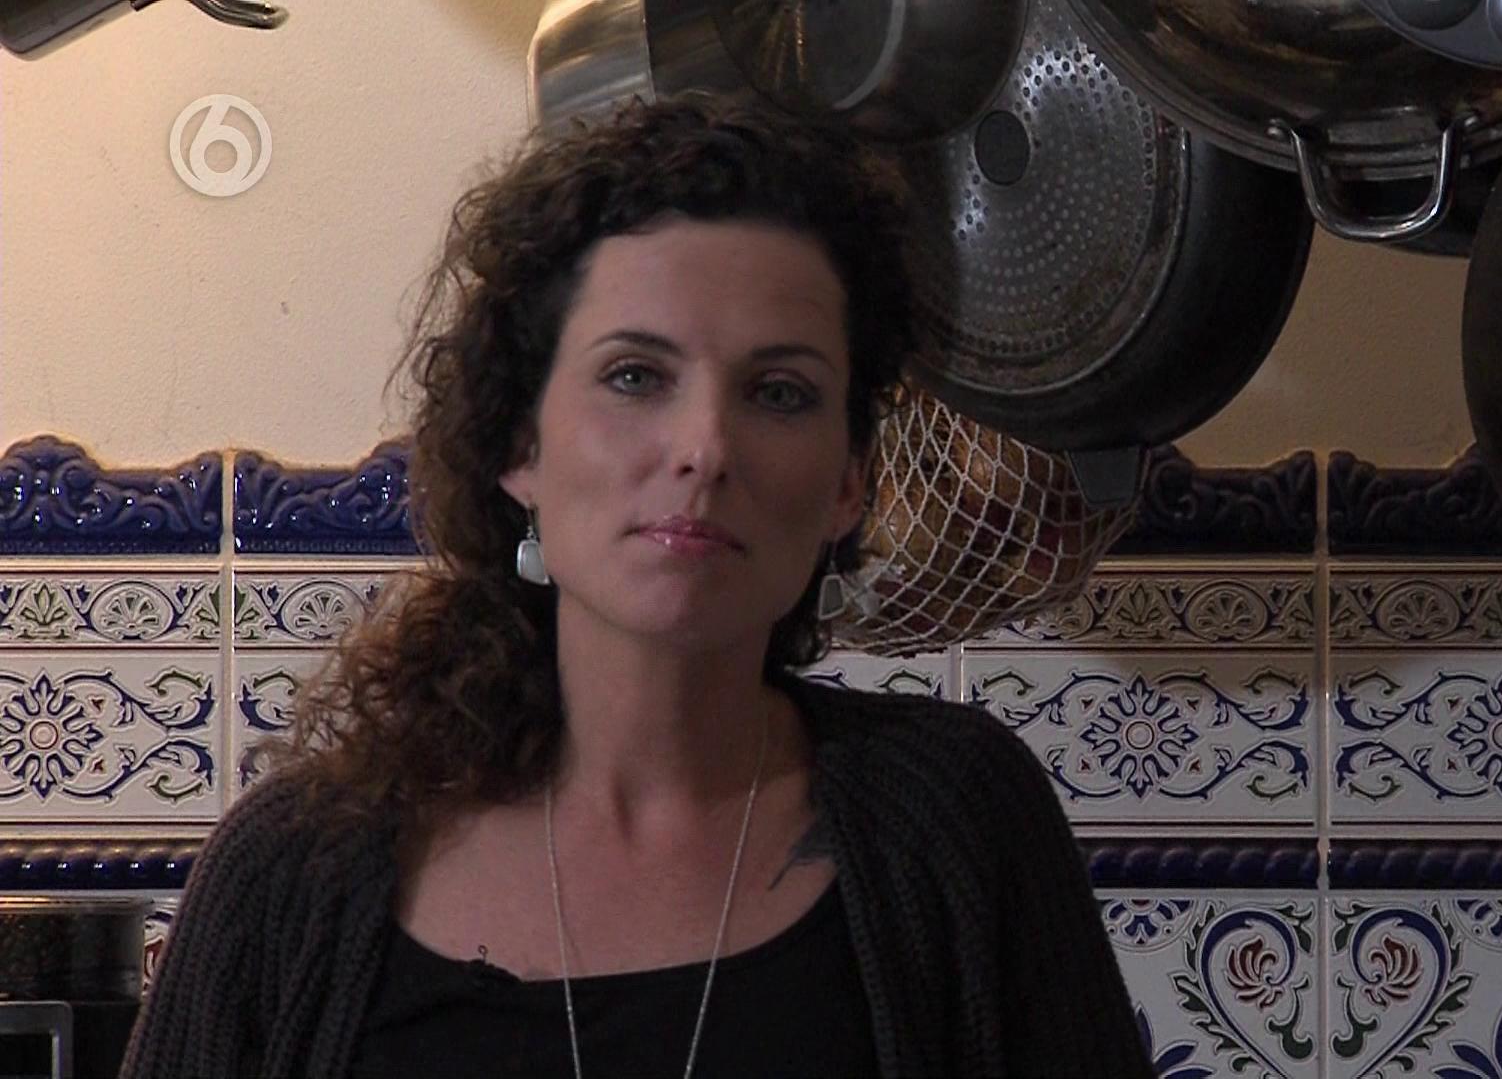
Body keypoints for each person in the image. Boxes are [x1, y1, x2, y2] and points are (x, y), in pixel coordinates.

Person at [119, 95, 1152, 1079]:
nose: (705, 447)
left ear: (850, 480)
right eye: (634, 377)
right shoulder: (291, 876)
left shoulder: (958, 821)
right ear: (519, 443)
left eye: (780, 392)